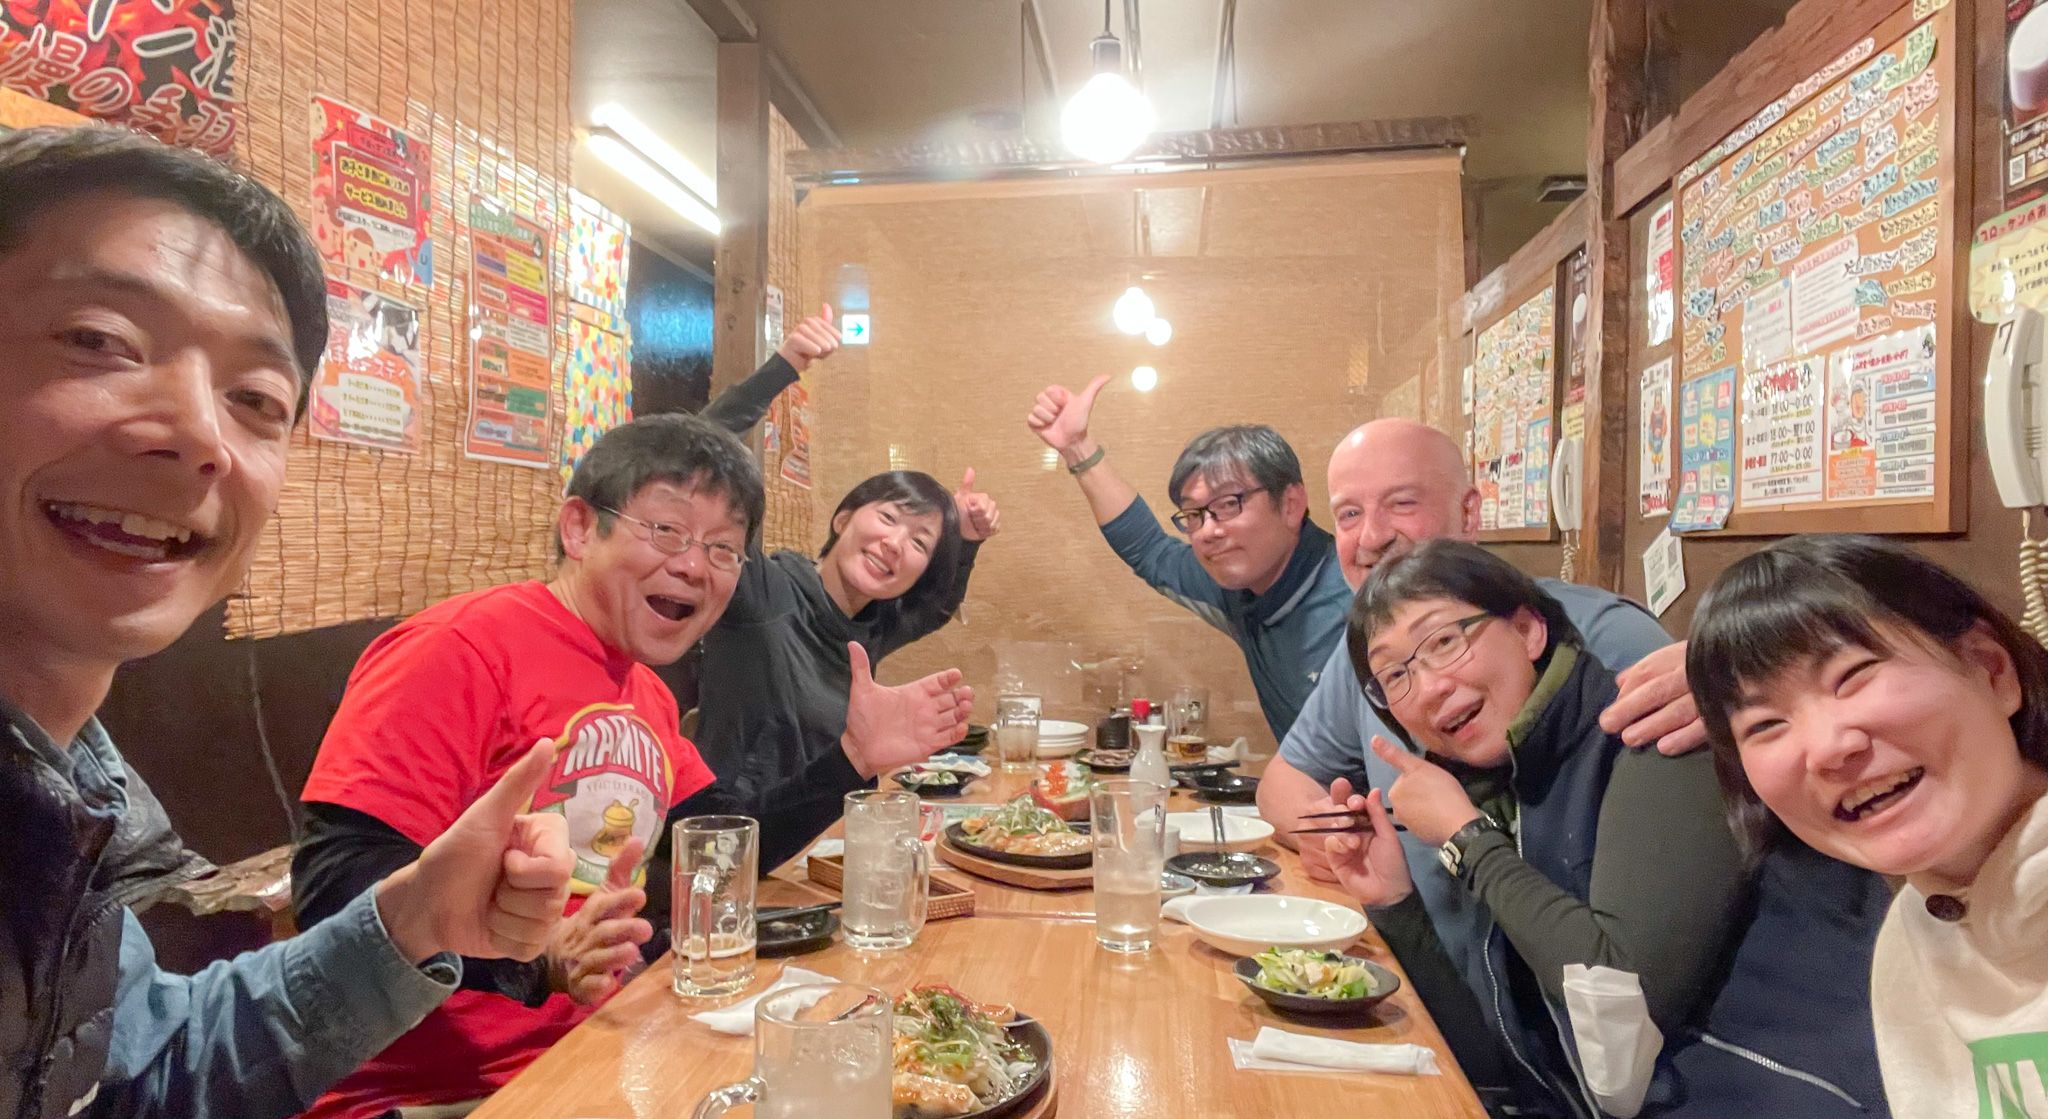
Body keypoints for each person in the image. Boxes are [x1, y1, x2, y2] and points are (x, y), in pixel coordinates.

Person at [0, 125, 577, 1119]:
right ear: (579, 522)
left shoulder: (71, 792)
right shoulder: (458, 642)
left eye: (255, 398)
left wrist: (410, 922)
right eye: (97, 340)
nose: (196, 435)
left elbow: (140, 1073)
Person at [291, 412, 973, 1118]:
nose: (691, 565)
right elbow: (334, 889)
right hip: (439, 1092)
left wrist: (851, 761)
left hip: (606, 1047)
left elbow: (715, 847)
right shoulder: (460, 648)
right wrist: (535, 958)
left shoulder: (644, 689)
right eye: (667, 531)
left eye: (722, 549)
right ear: (581, 528)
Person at [1325, 540, 1888, 1118]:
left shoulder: (1656, 737)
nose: (1429, 686)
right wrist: (1392, 899)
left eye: (1444, 641)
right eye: (1396, 675)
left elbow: (1624, 999)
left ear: (1527, 631)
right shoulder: (1503, 790)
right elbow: (1509, 1070)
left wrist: (1467, 841)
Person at [1689, 535, 2048, 1114]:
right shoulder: (1909, 944)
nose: (1827, 750)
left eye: (1852, 676)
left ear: (1990, 670)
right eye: (1765, 725)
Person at [1257, 418, 1686, 886]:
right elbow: (1283, 782)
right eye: (1349, 515)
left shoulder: (1603, 634)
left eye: (1402, 503)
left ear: (1469, 514)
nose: (1371, 537)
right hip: (1409, 946)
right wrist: (1324, 833)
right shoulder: (1368, 654)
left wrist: (1721, 678)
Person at [691, 311, 999, 810]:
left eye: (919, 543)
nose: (897, 544)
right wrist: (785, 365)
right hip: (737, 840)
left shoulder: (871, 626)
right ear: (843, 519)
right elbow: (694, 454)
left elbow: (937, 607)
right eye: (889, 518)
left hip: (823, 839)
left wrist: (963, 539)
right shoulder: (760, 590)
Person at [1026, 375, 1349, 740]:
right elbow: (1150, 549)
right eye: (1194, 515)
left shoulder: (1361, 599)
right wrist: (1077, 449)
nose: (1209, 530)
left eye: (1229, 504)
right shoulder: (1241, 586)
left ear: (1291, 505)